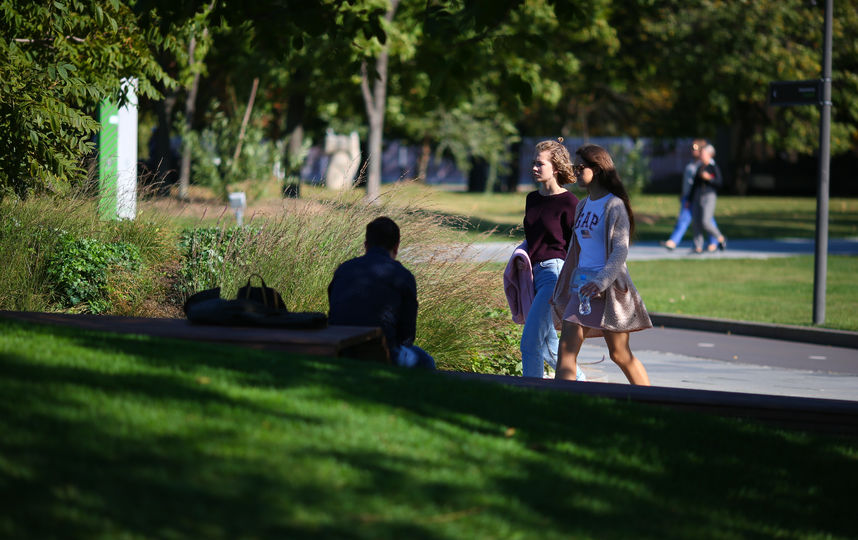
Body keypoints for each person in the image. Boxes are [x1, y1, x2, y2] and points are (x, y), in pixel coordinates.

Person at [551, 144, 652, 385]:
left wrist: (600, 282)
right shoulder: (582, 205)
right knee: (566, 351)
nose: (575, 172)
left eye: (580, 167)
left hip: (608, 290)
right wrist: (562, 288)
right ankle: (560, 404)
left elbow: (620, 250)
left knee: (620, 355)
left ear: (596, 169)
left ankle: (652, 401)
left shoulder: (614, 205)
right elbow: (576, 251)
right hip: (581, 287)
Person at [505, 139, 585, 380]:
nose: (534, 168)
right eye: (533, 163)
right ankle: (580, 383)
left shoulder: (570, 203)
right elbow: (535, 236)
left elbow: (576, 246)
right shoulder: (532, 199)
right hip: (533, 274)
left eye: (540, 164)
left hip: (555, 274)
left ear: (556, 167)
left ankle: (532, 398)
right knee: (549, 346)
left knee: (530, 344)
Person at [328, 216, 435, 369]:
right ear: (396, 247)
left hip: (340, 348)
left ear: (366, 245)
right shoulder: (403, 276)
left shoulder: (344, 269)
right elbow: (407, 336)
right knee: (427, 361)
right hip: (383, 352)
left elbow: (334, 310)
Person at [663, 139, 719, 251]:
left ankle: (715, 240)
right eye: (692, 148)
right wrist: (683, 194)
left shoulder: (705, 165)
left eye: (696, 148)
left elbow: (714, 179)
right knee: (685, 219)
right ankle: (674, 241)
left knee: (707, 220)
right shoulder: (691, 164)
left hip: (699, 196)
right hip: (688, 195)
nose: (693, 150)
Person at [691, 144, 727, 254]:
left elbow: (719, 183)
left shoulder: (713, 167)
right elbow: (695, 184)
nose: (701, 155)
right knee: (696, 222)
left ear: (710, 155)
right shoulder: (700, 167)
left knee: (705, 221)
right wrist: (689, 198)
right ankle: (698, 246)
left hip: (709, 195)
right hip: (698, 195)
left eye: (703, 154)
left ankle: (720, 238)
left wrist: (709, 178)